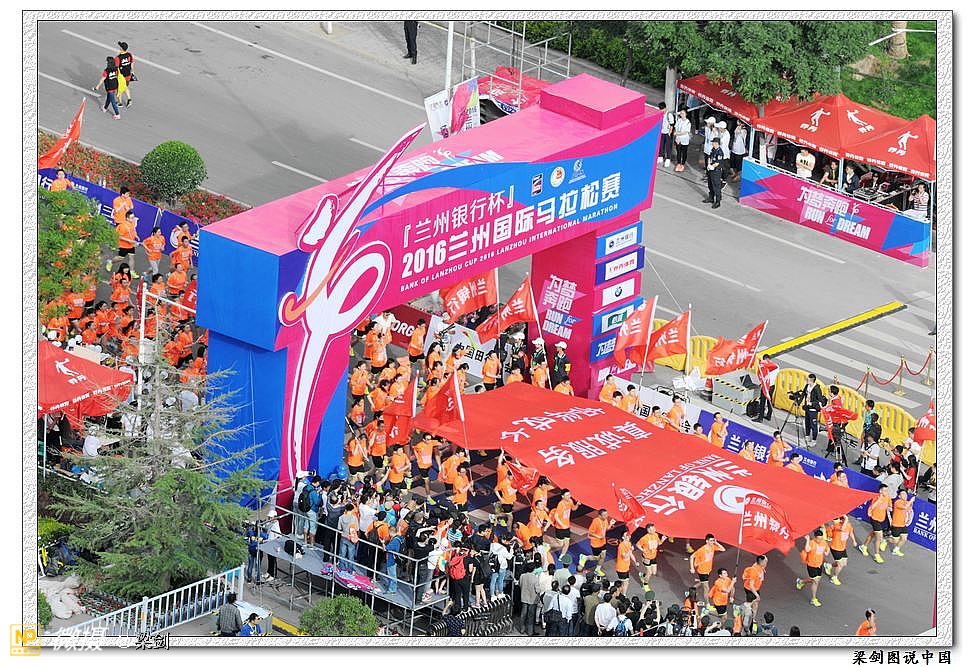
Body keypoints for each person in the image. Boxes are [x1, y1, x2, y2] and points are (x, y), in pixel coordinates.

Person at [826, 514, 862, 586]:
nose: (847, 521)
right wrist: (846, 519)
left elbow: (851, 532)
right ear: (842, 520)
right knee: (840, 565)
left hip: (842, 548)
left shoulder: (848, 525)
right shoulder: (836, 525)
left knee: (844, 563)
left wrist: (854, 541)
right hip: (835, 548)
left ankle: (828, 565)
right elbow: (842, 529)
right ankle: (834, 578)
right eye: (845, 519)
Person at [796, 529, 829, 607]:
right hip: (811, 565)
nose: (820, 540)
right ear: (815, 537)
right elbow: (807, 549)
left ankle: (801, 582)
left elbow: (827, 551)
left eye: (821, 538)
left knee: (815, 580)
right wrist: (807, 540)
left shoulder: (824, 542)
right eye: (818, 539)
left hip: (819, 564)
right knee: (815, 581)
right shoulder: (812, 543)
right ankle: (813, 599)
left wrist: (826, 552)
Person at [580, 508, 614, 576]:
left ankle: (597, 570)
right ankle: (585, 557)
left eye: (607, 514)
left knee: (603, 556)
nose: (606, 516)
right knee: (597, 557)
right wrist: (598, 536)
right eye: (604, 515)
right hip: (595, 543)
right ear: (600, 516)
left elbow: (606, 528)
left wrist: (610, 524)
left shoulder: (605, 520)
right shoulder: (595, 521)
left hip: (603, 542)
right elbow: (590, 532)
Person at [551, 489, 580, 559]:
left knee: (567, 542)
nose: (569, 496)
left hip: (567, 526)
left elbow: (573, 509)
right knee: (560, 544)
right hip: (560, 527)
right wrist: (562, 525)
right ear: (562, 496)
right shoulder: (560, 504)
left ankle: (562, 555)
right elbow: (556, 516)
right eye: (567, 495)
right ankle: (548, 546)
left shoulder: (570, 501)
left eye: (569, 494)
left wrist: (577, 504)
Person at [741, 555, 767, 631]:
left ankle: (753, 619)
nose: (766, 562)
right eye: (765, 561)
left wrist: (765, 558)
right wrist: (757, 595)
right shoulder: (754, 571)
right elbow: (751, 585)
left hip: (756, 589)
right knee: (751, 605)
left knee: (755, 604)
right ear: (761, 562)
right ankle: (749, 620)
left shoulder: (761, 566)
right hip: (750, 589)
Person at [635, 524, 662, 591]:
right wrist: (643, 550)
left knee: (654, 572)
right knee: (649, 573)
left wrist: (662, 540)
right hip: (646, 558)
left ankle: (643, 575)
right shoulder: (645, 538)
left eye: (654, 528)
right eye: (653, 529)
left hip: (653, 557)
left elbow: (659, 543)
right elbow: (637, 544)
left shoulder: (656, 535)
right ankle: (645, 584)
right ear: (649, 530)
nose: (655, 530)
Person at [889, 489, 915, 557]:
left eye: (905, 494)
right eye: (903, 494)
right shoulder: (897, 502)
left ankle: (896, 550)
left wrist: (909, 519)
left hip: (903, 524)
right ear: (899, 496)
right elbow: (904, 508)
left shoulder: (907, 502)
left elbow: (909, 511)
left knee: (904, 539)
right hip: (896, 524)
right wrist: (911, 501)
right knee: (895, 540)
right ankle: (885, 540)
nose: (905, 495)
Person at [754, 355, 779, 422]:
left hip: (766, 386)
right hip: (772, 386)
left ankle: (760, 418)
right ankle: (769, 416)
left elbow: (764, 373)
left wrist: (761, 364)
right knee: (769, 401)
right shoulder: (776, 366)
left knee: (762, 402)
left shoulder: (765, 367)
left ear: (766, 359)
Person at [801, 373, 826, 443]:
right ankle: (807, 436)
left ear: (811, 380)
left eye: (808, 380)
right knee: (807, 423)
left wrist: (812, 403)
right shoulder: (807, 386)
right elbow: (803, 393)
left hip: (813, 410)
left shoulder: (817, 389)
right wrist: (799, 402)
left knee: (813, 425)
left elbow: (820, 400)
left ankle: (814, 440)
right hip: (807, 408)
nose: (807, 381)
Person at [703, 137, 724, 208]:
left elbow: (718, 163)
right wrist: (708, 164)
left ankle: (718, 201)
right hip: (711, 170)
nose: (712, 143)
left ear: (716, 143)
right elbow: (709, 157)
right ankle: (711, 198)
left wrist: (712, 166)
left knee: (716, 186)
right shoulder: (713, 149)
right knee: (710, 185)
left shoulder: (720, 152)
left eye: (713, 142)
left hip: (716, 171)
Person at [115, 41, 135, 107]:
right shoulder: (130, 55)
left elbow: (116, 68)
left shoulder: (118, 58)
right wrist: (132, 71)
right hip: (128, 75)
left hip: (121, 76)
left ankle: (120, 103)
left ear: (121, 48)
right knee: (125, 87)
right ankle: (129, 99)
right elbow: (132, 63)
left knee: (119, 88)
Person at [673, 107, 692, 172]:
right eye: (681, 113)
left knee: (684, 152)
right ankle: (678, 164)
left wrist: (677, 134)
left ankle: (682, 164)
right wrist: (677, 136)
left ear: (686, 114)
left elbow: (686, 132)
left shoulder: (688, 122)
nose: (681, 114)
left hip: (684, 139)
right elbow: (676, 128)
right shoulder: (679, 120)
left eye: (683, 113)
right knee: (678, 152)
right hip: (678, 139)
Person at [657, 102, 675, 168]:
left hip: (667, 133)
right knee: (661, 145)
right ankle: (660, 156)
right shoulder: (660, 114)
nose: (662, 110)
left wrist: (669, 133)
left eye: (662, 109)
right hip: (661, 132)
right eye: (661, 109)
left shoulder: (669, 115)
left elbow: (672, 125)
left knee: (668, 146)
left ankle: (668, 159)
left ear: (665, 108)